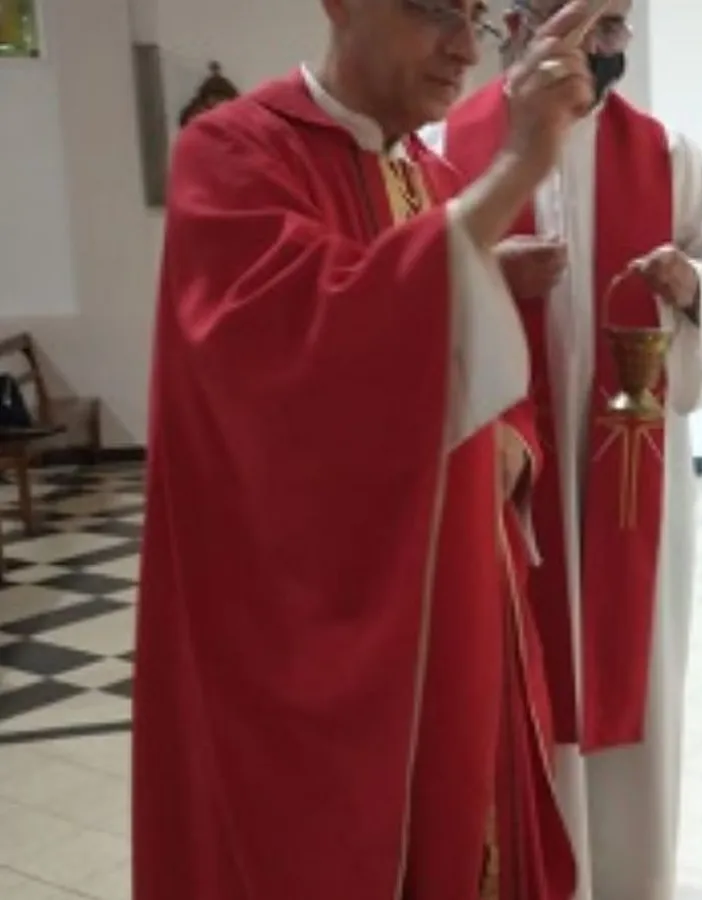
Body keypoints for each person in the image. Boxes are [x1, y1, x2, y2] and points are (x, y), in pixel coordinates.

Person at [132, 2, 600, 898]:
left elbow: (481, 375)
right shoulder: (231, 153)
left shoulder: (430, 175)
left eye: (476, 15)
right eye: (435, 9)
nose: (463, 48)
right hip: (322, 642)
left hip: (461, 598)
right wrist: (516, 169)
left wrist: (512, 439)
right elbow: (298, 364)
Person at [427, 3, 702, 898]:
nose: (606, 41)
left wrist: (693, 283)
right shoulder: (446, 144)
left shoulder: (666, 155)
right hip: (506, 476)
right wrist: (489, 270)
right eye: (584, 19)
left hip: (631, 474)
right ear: (520, 21)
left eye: (617, 22)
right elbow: (403, 281)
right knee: (510, 681)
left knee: (635, 681)